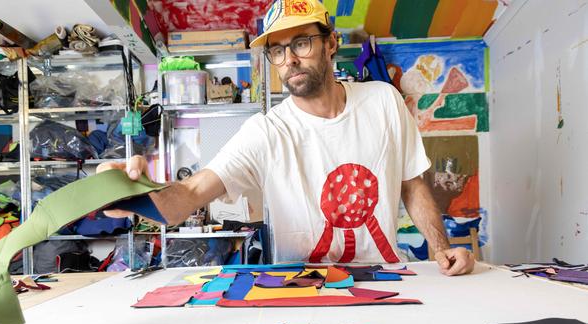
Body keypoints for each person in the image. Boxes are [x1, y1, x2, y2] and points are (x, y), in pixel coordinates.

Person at [99, 0, 474, 275]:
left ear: (330, 44)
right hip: (300, 284)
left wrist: (441, 250)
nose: (288, 59)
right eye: (277, 51)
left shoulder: (383, 101)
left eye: (301, 43)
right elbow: (192, 193)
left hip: (384, 276)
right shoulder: (266, 132)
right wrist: (130, 195)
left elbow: (412, 183)